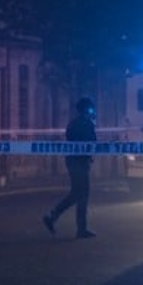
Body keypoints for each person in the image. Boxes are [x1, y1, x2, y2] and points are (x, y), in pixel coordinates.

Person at [43, 97, 98, 238]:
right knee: (82, 194)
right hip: (81, 162)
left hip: (72, 161)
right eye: (91, 109)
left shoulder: (72, 124)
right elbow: (92, 142)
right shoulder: (87, 124)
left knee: (76, 193)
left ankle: (53, 216)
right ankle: (80, 229)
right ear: (87, 110)